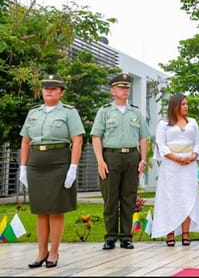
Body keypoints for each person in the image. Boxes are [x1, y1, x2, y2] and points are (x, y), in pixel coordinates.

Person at [19, 74, 85, 268]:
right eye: (46, 87)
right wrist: (23, 167)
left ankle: (54, 252)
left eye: (54, 88)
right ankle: (41, 252)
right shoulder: (34, 113)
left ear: (61, 92)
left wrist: (73, 167)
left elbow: (77, 140)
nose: (49, 90)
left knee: (56, 210)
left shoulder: (69, 112)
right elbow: (25, 141)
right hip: (36, 164)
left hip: (59, 163)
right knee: (40, 210)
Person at [91, 73, 149, 251]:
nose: (125, 90)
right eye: (121, 88)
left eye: (127, 88)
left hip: (132, 157)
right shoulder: (105, 111)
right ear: (113, 91)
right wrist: (100, 160)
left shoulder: (136, 112)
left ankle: (126, 237)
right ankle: (110, 237)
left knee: (128, 198)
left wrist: (143, 160)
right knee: (110, 198)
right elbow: (96, 137)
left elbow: (143, 138)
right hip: (111, 156)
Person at [152, 93, 199, 246]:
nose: (186, 107)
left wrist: (193, 156)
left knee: (188, 198)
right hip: (171, 167)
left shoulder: (192, 122)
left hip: (189, 166)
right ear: (174, 106)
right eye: (183, 104)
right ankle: (170, 233)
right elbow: (161, 145)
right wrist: (177, 158)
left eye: (187, 104)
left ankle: (186, 232)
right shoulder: (164, 124)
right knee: (170, 198)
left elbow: (197, 143)